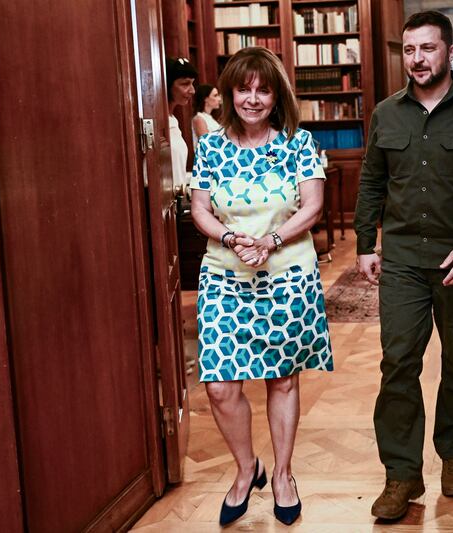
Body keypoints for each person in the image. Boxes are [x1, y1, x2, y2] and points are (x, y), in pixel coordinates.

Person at [354, 11, 453, 521]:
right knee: (398, 363)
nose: (417, 59)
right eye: (409, 50)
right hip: (400, 258)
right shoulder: (386, 114)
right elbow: (372, 181)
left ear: (450, 52)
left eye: (427, 48)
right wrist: (364, 242)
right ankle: (401, 474)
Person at [190, 46, 333, 527]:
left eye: (263, 89)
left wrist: (270, 241)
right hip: (225, 274)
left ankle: (284, 475)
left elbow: (311, 206)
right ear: (230, 92)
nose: (253, 98)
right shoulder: (210, 145)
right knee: (219, 385)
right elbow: (201, 210)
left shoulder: (298, 142)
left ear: (276, 95)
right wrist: (232, 237)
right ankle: (247, 468)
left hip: (288, 271)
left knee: (282, 377)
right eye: (243, 88)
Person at [165, 57, 197, 194]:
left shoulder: (173, 120)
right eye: (185, 84)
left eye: (192, 84)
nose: (192, 91)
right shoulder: (160, 124)